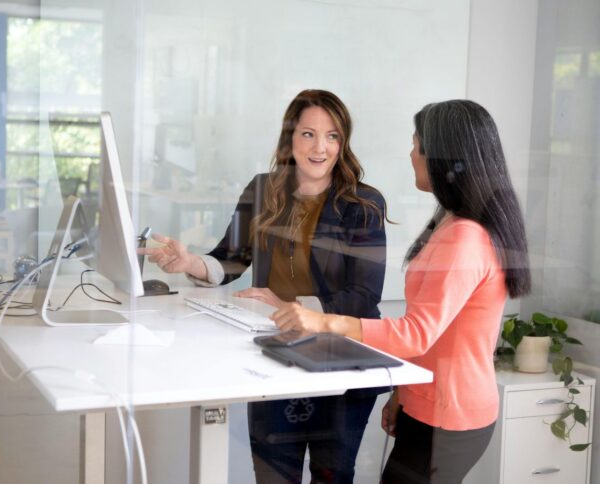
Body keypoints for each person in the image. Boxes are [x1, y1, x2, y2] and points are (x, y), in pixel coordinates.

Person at [270, 99, 532, 484]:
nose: (411, 154)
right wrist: (403, 395)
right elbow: (436, 334)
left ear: (444, 158)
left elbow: (416, 332)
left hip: (449, 414)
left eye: (417, 145)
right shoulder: (450, 221)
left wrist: (324, 321)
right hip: (427, 404)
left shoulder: (465, 237)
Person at [140, 89, 388, 483]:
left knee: (333, 476)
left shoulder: (364, 204)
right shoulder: (262, 190)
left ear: (343, 142)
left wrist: (292, 304)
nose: (320, 147)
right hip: (278, 356)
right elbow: (230, 259)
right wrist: (189, 263)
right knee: (273, 476)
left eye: (332, 136)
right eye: (308, 134)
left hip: (342, 360)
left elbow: (364, 297)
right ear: (290, 138)